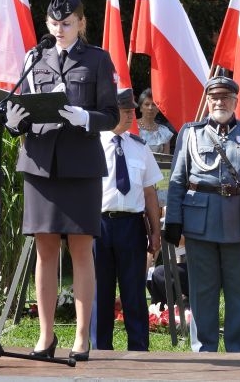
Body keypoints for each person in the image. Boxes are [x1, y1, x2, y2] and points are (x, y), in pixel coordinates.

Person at [4, 0, 119, 360]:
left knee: (81, 249)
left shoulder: (98, 60)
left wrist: (85, 117)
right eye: (54, 23)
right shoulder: (34, 57)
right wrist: (14, 121)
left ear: (81, 22)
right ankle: (46, 335)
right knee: (45, 248)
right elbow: (20, 107)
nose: (59, 29)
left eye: (67, 23)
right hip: (40, 165)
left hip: (80, 165)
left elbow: (112, 115)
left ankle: (82, 337)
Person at [164, 76, 240, 352]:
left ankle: (239, 350)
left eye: (226, 97)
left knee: (239, 291)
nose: (220, 102)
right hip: (200, 220)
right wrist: (174, 219)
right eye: (214, 97)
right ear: (208, 101)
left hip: (238, 220)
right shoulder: (191, 133)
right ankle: (204, 349)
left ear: (236, 102)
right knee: (203, 291)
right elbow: (177, 180)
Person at [90, 88, 163, 351]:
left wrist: (155, 232)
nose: (131, 114)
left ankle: (139, 350)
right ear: (111, 112)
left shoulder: (139, 148)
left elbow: (150, 193)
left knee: (133, 293)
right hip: (98, 226)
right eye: (125, 110)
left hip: (131, 226)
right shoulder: (92, 144)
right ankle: (100, 350)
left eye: (132, 110)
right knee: (100, 293)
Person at [137, 88, 174, 154]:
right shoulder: (132, 127)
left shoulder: (164, 132)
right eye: (147, 104)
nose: (150, 108)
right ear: (141, 108)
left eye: (154, 105)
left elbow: (165, 161)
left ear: (158, 109)